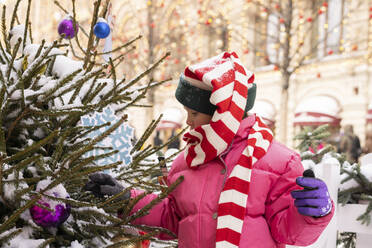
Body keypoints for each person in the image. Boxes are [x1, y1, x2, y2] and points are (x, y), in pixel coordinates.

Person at [85, 52, 334, 248]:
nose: (188, 122)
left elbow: (288, 231)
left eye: (194, 113)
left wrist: (312, 214)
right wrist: (129, 199)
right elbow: (173, 217)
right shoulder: (188, 161)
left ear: (223, 114)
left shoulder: (277, 161)